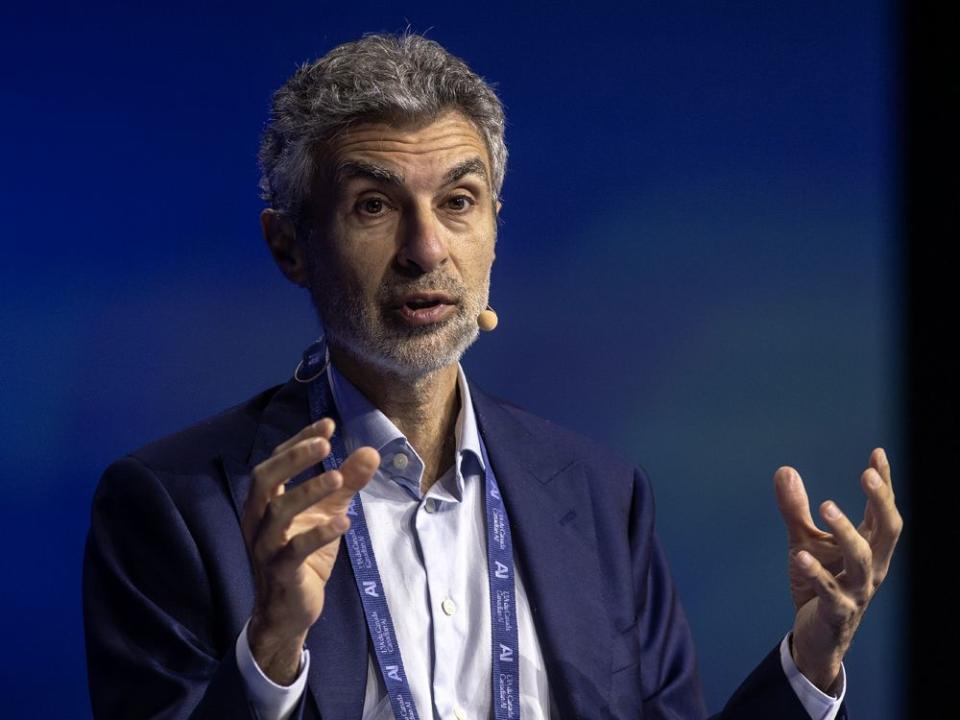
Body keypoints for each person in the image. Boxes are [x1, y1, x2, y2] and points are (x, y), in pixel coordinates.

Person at [83, 32, 902, 720]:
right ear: (289, 246)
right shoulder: (173, 504)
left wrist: (810, 663)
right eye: (373, 205)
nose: (426, 249)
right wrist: (269, 652)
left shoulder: (598, 492)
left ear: (495, 230)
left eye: (460, 201)